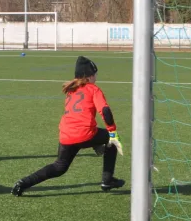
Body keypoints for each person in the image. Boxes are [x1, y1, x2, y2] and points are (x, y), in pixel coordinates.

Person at [11, 56, 125, 197]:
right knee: (111, 139)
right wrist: (112, 131)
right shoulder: (93, 89)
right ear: (89, 76)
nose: (96, 77)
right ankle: (107, 180)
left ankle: (23, 183)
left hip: (66, 135)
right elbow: (106, 112)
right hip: (84, 134)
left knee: (59, 167)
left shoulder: (72, 90)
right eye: (95, 74)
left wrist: (95, 144)